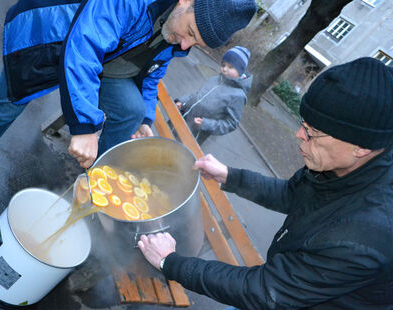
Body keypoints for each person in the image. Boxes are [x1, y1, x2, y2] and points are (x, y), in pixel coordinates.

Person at [0, 0, 257, 209]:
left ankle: (87, 177)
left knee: (131, 110)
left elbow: (151, 73)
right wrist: (86, 126)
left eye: (195, 44)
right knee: (4, 105)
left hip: (103, 64)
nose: (185, 44)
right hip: (52, 38)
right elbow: (84, 45)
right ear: (186, 1)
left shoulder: (177, 33)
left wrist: (147, 117)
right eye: (189, 33)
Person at [138, 57, 393, 308]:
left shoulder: (362, 237)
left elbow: (265, 291)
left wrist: (169, 262)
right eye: (303, 124)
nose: (298, 134)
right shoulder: (341, 165)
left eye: (312, 132)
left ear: (361, 147)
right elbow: (293, 195)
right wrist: (230, 175)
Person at [175, 46, 252, 145]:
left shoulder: (238, 95)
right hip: (182, 118)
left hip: (195, 133)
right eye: (223, 65)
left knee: (176, 153)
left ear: (240, 71)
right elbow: (197, 96)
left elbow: (231, 124)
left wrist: (205, 124)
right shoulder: (214, 79)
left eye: (230, 67)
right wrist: (182, 101)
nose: (224, 69)